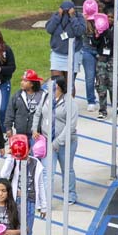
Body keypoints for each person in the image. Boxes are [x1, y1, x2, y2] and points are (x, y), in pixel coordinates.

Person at [0, 147, 47, 235]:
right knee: (12, 231)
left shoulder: (36, 163)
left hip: (30, 202)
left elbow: (40, 184)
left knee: (27, 232)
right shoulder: (14, 160)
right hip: (15, 201)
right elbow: (3, 175)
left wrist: (43, 206)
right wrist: (10, 156)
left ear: (29, 148)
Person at [49, 76, 78, 204]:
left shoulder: (70, 102)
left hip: (67, 143)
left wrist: (58, 140)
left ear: (60, 88)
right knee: (49, 170)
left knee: (67, 169)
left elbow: (71, 125)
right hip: (50, 141)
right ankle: (46, 197)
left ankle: (71, 194)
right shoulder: (47, 100)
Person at [45, 0, 85, 86]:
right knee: (57, 83)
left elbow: (79, 31)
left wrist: (73, 17)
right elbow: (49, 29)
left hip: (73, 54)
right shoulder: (56, 16)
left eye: (68, 10)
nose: (66, 12)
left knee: (69, 84)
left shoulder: (79, 17)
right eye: (64, 11)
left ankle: (68, 98)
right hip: (57, 54)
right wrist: (58, 17)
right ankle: (58, 99)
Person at [4, 68, 45, 137]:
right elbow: (10, 112)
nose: (22, 82)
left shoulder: (43, 96)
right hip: (20, 133)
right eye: (22, 80)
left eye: (25, 81)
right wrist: (8, 127)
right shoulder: (17, 95)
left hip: (37, 134)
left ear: (32, 84)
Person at [80, 0, 102, 113]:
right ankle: (91, 101)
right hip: (87, 51)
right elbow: (76, 31)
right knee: (90, 77)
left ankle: (102, 99)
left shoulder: (100, 20)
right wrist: (82, 20)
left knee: (101, 77)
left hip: (99, 50)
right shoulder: (82, 22)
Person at [95, 10, 115, 119]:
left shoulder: (116, 29)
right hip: (101, 60)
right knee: (101, 85)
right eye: (108, 17)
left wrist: (107, 32)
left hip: (112, 59)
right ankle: (102, 110)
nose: (110, 19)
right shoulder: (100, 28)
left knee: (112, 84)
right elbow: (95, 44)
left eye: (112, 17)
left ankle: (115, 104)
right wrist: (97, 35)